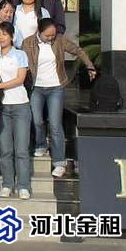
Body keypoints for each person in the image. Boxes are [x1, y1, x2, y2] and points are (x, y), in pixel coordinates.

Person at [22, 18, 96, 177]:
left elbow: (78, 51)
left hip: (56, 87)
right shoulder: (27, 43)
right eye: (48, 35)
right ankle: (41, 145)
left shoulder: (60, 40)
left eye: (53, 35)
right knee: (37, 120)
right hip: (36, 88)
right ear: (39, 32)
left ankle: (59, 162)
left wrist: (90, 66)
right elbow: (22, 63)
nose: (51, 38)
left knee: (55, 125)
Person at [0, 22, 31, 200]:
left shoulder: (20, 54)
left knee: (21, 150)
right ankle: (7, 184)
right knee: (5, 150)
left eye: (4, 34)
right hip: (2, 107)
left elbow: (20, 79)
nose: (1, 37)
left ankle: (23, 185)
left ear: (12, 37)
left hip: (20, 105)